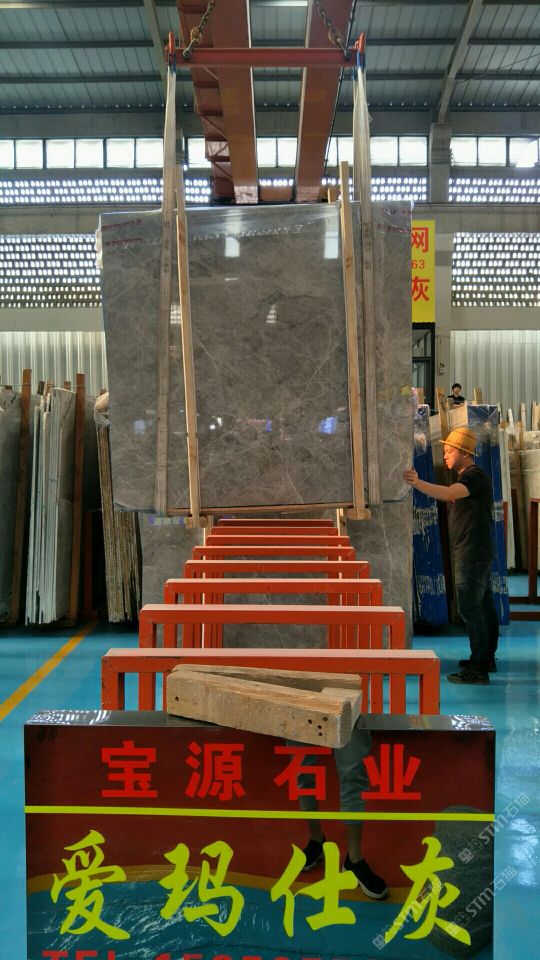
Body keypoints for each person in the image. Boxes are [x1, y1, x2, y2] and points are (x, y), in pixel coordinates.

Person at [403, 426, 499, 685]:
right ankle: (485, 658)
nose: (445, 455)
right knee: (483, 605)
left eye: (449, 451)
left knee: (470, 608)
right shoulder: (467, 477)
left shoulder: (474, 476)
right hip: (474, 550)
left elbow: (447, 494)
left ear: (464, 452)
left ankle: (479, 669)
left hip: (472, 552)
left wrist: (416, 482)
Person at [291, 723, 388, 899]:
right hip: (299, 705)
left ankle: (354, 858)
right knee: (303, 770)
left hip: (349, 706)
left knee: (353, 772)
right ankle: (316, 840)